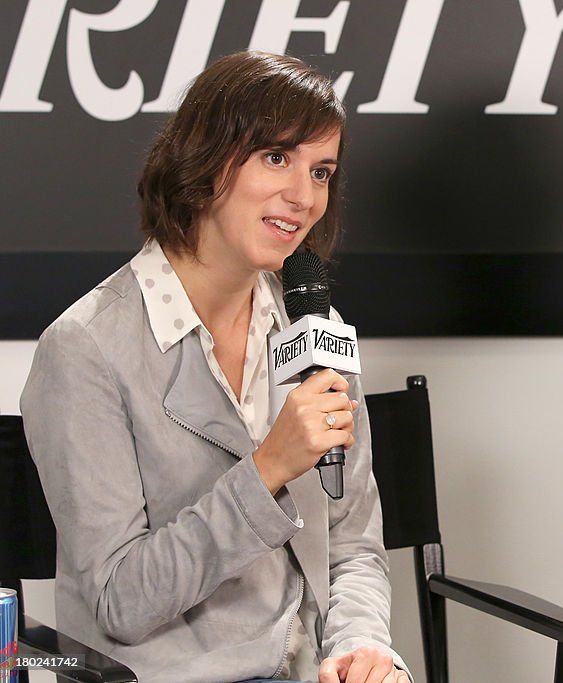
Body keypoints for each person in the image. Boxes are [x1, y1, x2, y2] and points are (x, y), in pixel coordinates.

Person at [21, 51, 410, 683]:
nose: (303, 196)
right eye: (277, 157)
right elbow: (119, 603)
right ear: (204, 158)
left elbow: (353, 544)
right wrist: (268, 470)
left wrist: (360, 644)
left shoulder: (314, 328)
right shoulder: (85, 347)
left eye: (322, 171)